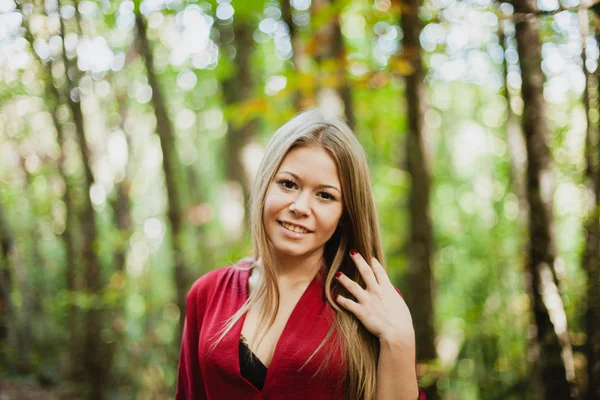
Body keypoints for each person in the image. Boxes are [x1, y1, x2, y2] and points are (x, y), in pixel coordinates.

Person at [176, 109, 426, 399]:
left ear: (345, 213)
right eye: (288, 184)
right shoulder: (208, 293)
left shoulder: (372, 303)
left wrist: (400, 339)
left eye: (325, 195)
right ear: (264, 186)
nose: (300, 206)